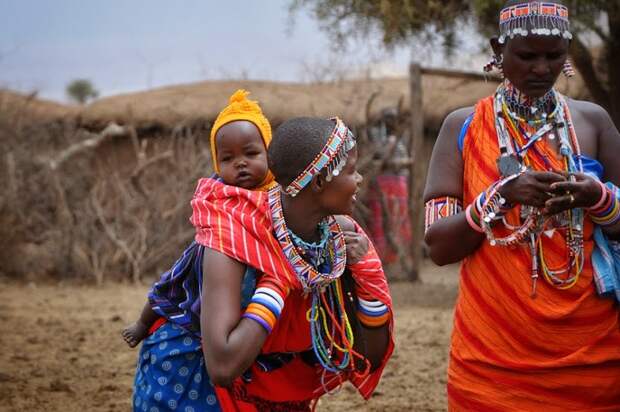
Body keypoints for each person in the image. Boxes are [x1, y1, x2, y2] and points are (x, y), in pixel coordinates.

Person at [424, 1, 620, 410]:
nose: (541, 69)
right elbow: (439, 245)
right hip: (492, 360)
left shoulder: (594, 122)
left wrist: (597, 198)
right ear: (499, 48)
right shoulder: (462, 127)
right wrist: (500, 196)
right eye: (527, 55)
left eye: (553, 56)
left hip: (592, 356)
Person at [132, 115, 392, 411]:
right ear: (319, 180)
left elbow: (366, 356)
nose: (359, 179)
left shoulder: (336, 239)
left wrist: (364, 274)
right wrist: (276, 284)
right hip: (189, 384)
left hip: (274, 383)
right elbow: (222, 366)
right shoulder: (231, 240)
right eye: (351, 171)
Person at [123, 90, 371, 348]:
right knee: (173, 281)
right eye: (228, 158)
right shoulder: (218, 193)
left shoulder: (284, 191)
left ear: (269, 155)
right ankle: (143, 323)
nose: (240, 164)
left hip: (264, 272)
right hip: (222, 248)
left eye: (251, 154)